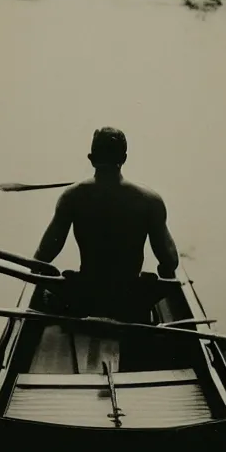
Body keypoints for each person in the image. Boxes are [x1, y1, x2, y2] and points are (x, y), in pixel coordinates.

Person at [33, 127, 179, 321]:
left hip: (86, 297)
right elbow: (169, 262)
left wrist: (40, 284)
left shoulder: (72, 196)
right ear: (124, 158)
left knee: (57, 289)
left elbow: (43, 257)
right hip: (130, 300)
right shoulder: (150, 200)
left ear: (91, 158)